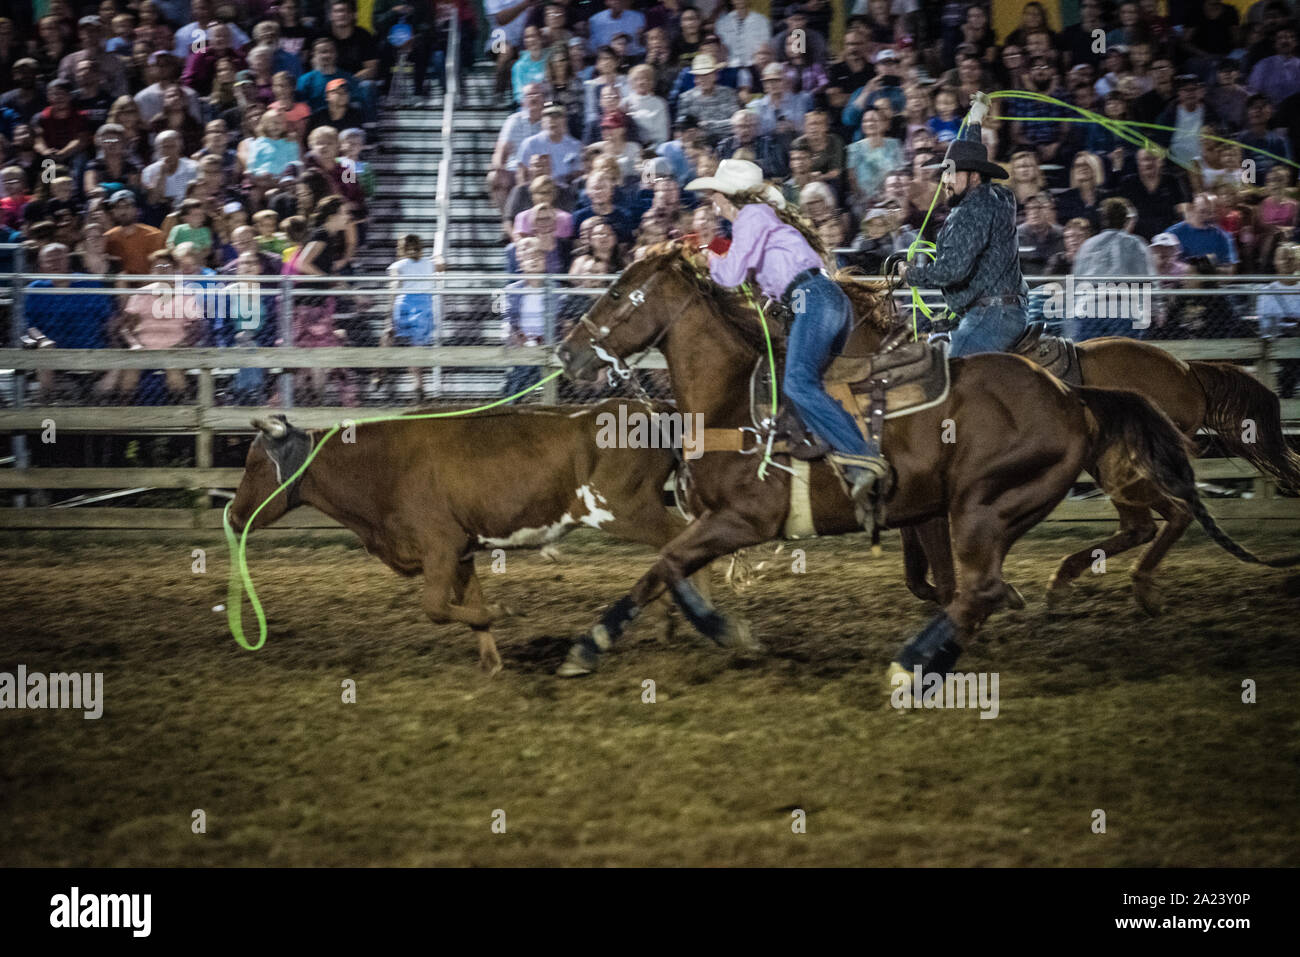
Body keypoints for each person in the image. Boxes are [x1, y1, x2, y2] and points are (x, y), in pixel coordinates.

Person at [686, 158, 889, 529]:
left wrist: (707, 255)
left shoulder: (751, 218)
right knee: (806, 382)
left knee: (797, 382)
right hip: (822, 301)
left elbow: (730, 275)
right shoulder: (762, 221)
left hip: (812, 301)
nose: (711, 199)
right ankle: (839, 457)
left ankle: (861, 457)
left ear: (727, 194)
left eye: (713, 192)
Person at [901, 95, 1028, 357]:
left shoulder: (970, 211)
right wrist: (975, 119)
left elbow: (952, 270)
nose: (944, 181)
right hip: (1005, 310)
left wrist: (911, 275)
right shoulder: (999, 198)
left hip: (991, 315)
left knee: (952, 370)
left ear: (973, 175)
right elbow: (970, 153)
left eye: (950, 173)